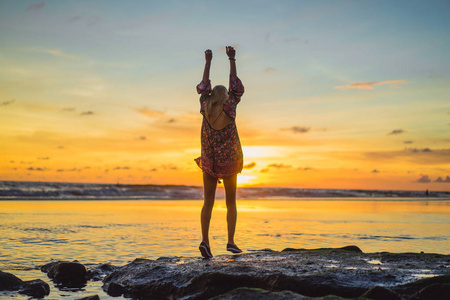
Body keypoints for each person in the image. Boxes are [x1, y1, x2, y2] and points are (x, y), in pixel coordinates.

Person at [195, 46, 245, 258]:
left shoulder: (204, 106)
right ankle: (231, 241)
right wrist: (232, 59)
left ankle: (205, 241)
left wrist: (208, 62)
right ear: (225, 96)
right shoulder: (229, 107)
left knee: (208, 202)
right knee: (231, 202)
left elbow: (203, 86)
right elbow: (236, 87)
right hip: (229, 161)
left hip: (210, 161)